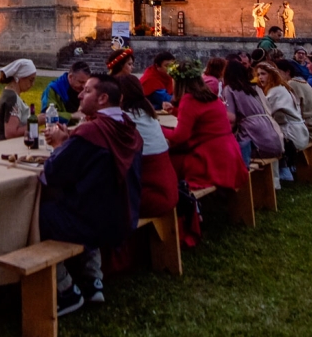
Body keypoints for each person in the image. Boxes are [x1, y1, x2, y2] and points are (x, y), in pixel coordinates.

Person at [39, 74, 141, 314]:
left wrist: (59, 146)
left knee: (40, 214)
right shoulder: (129, 128)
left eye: (86, 91)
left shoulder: (92, 133)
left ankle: (65, 290)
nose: (80, 95)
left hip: (95, 224)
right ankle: (93, 280)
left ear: (103, 98)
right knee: (85, 202)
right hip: (125, 216)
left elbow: (54, 172)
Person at [164, 61, 250, 192]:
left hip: (211, 158)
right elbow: (201, 117)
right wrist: (175, 111)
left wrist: (158, 128)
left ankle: (179, 202)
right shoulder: (211, 97)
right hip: (230, 154)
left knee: (167, 160)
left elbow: (180, 136)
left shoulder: (188, 100)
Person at [117, 75, 178, 222]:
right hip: (168, 191)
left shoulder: (124, 119)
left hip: (150, 197)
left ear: (120, 95)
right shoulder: (147, 113)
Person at [221, 60, 285, 161]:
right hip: (272, 135)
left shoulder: (229, 89)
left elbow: (231, 118)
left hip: (255, 139)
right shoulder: (254, 88)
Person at [256, 62, 309, 183]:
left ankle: (275, 178)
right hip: (299, 131)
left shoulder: (275, 91)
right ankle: (283, 170)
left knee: (267, 142)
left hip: (293, 134)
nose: (260, 77)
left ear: (272, 75)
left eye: (263, 74)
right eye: (258, 74)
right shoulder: (281, 88)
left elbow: (264, 113)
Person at [274, 60, 312, 146]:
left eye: (278, 73)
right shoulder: (298, 81)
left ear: (287, 72)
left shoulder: (292, 84)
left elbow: (290, 112)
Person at [0, 59, 38, 141]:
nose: (32, 84)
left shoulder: (10, 94)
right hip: (5, 148)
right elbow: (11, 133)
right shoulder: (11, 97)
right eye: (30, 80)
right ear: (19, 78)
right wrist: (36, 122)